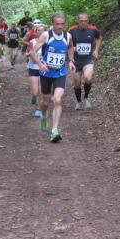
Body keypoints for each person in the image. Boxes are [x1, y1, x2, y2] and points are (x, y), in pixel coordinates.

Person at [30, 12, 75, 142]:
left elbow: (71, 47)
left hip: (60, 72)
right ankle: (44, 116)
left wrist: (71, 60)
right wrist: (40, 64)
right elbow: (32, 51)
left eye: (62, 24)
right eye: (57, 24)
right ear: (52, 24)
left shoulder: (68, 36)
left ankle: (55, 130)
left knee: (58, 99)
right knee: (45, 102)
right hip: (46, 73)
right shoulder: (46, 35)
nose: (60, 27)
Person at [68, 13, 102, 110]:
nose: (83, 23)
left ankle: (86, 97)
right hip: (76, 60)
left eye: (85, 21)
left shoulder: (93, 29)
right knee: (77, 83)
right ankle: (79, 101)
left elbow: (99, 38)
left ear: (88, 20)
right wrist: (71, 52)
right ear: (77, 20)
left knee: (88, 78)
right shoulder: (71, 30)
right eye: (81, 21)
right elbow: (67, 43)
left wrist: (96, 50)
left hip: (88, 59)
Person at [24, 23, 46, 119]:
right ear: (36, 32)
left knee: (41, 90)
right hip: (33, 68)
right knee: (35, 92)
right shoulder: (32, 42)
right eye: (38, 30)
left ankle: (38, 109)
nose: (40, 32)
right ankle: (33, 97)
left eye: (42, 30)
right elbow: (27, 51)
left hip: (43, 68)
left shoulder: (48, 42)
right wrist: (28, 54)